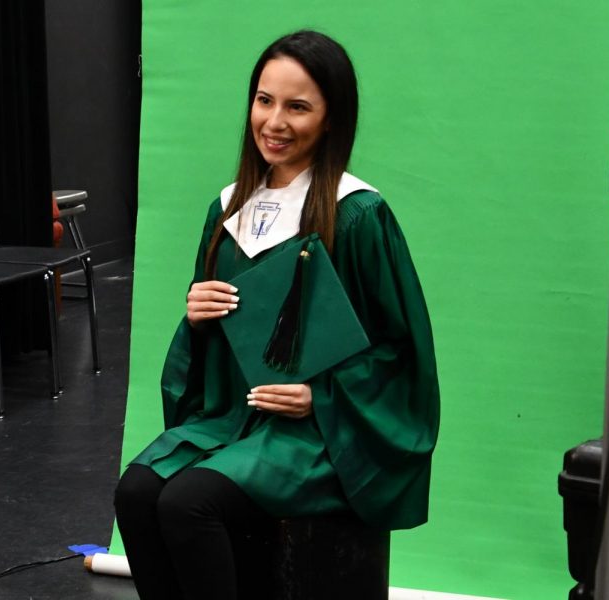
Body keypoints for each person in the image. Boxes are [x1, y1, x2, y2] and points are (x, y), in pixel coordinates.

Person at [114, 30, 439, 600]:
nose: (275, 122)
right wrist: (196, 318)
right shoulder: (229, 207)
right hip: (231, 420)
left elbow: (401, 352)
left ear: (332, 118)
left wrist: (324, 397)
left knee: (191, 502)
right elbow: (206, 361)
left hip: (317, 437)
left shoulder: (358, 215)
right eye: (264, 100)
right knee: (137, 492)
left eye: (298, 106)